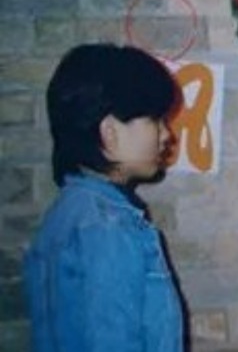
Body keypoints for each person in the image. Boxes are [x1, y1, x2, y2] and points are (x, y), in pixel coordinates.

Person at [24, 43, 185, 351]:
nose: (167, 134)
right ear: (109, 132)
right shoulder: (107, 226)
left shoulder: (65, 213)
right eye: (155, 120)